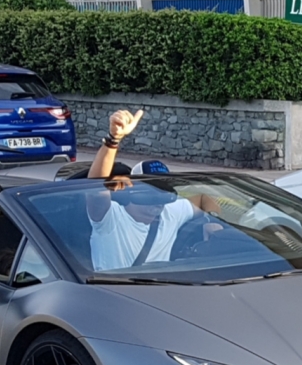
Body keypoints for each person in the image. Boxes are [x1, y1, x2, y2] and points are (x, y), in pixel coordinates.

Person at [86, 109, 220, 271]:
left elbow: (204, 199)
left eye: (163, 194)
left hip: (161, 291)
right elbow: (95, 187)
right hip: (112, 290)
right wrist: (113, 140)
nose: (157, 206)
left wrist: (212, 220)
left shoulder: (169, 212)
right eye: (150, 193)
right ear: (132, 189)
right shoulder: (110, 219)